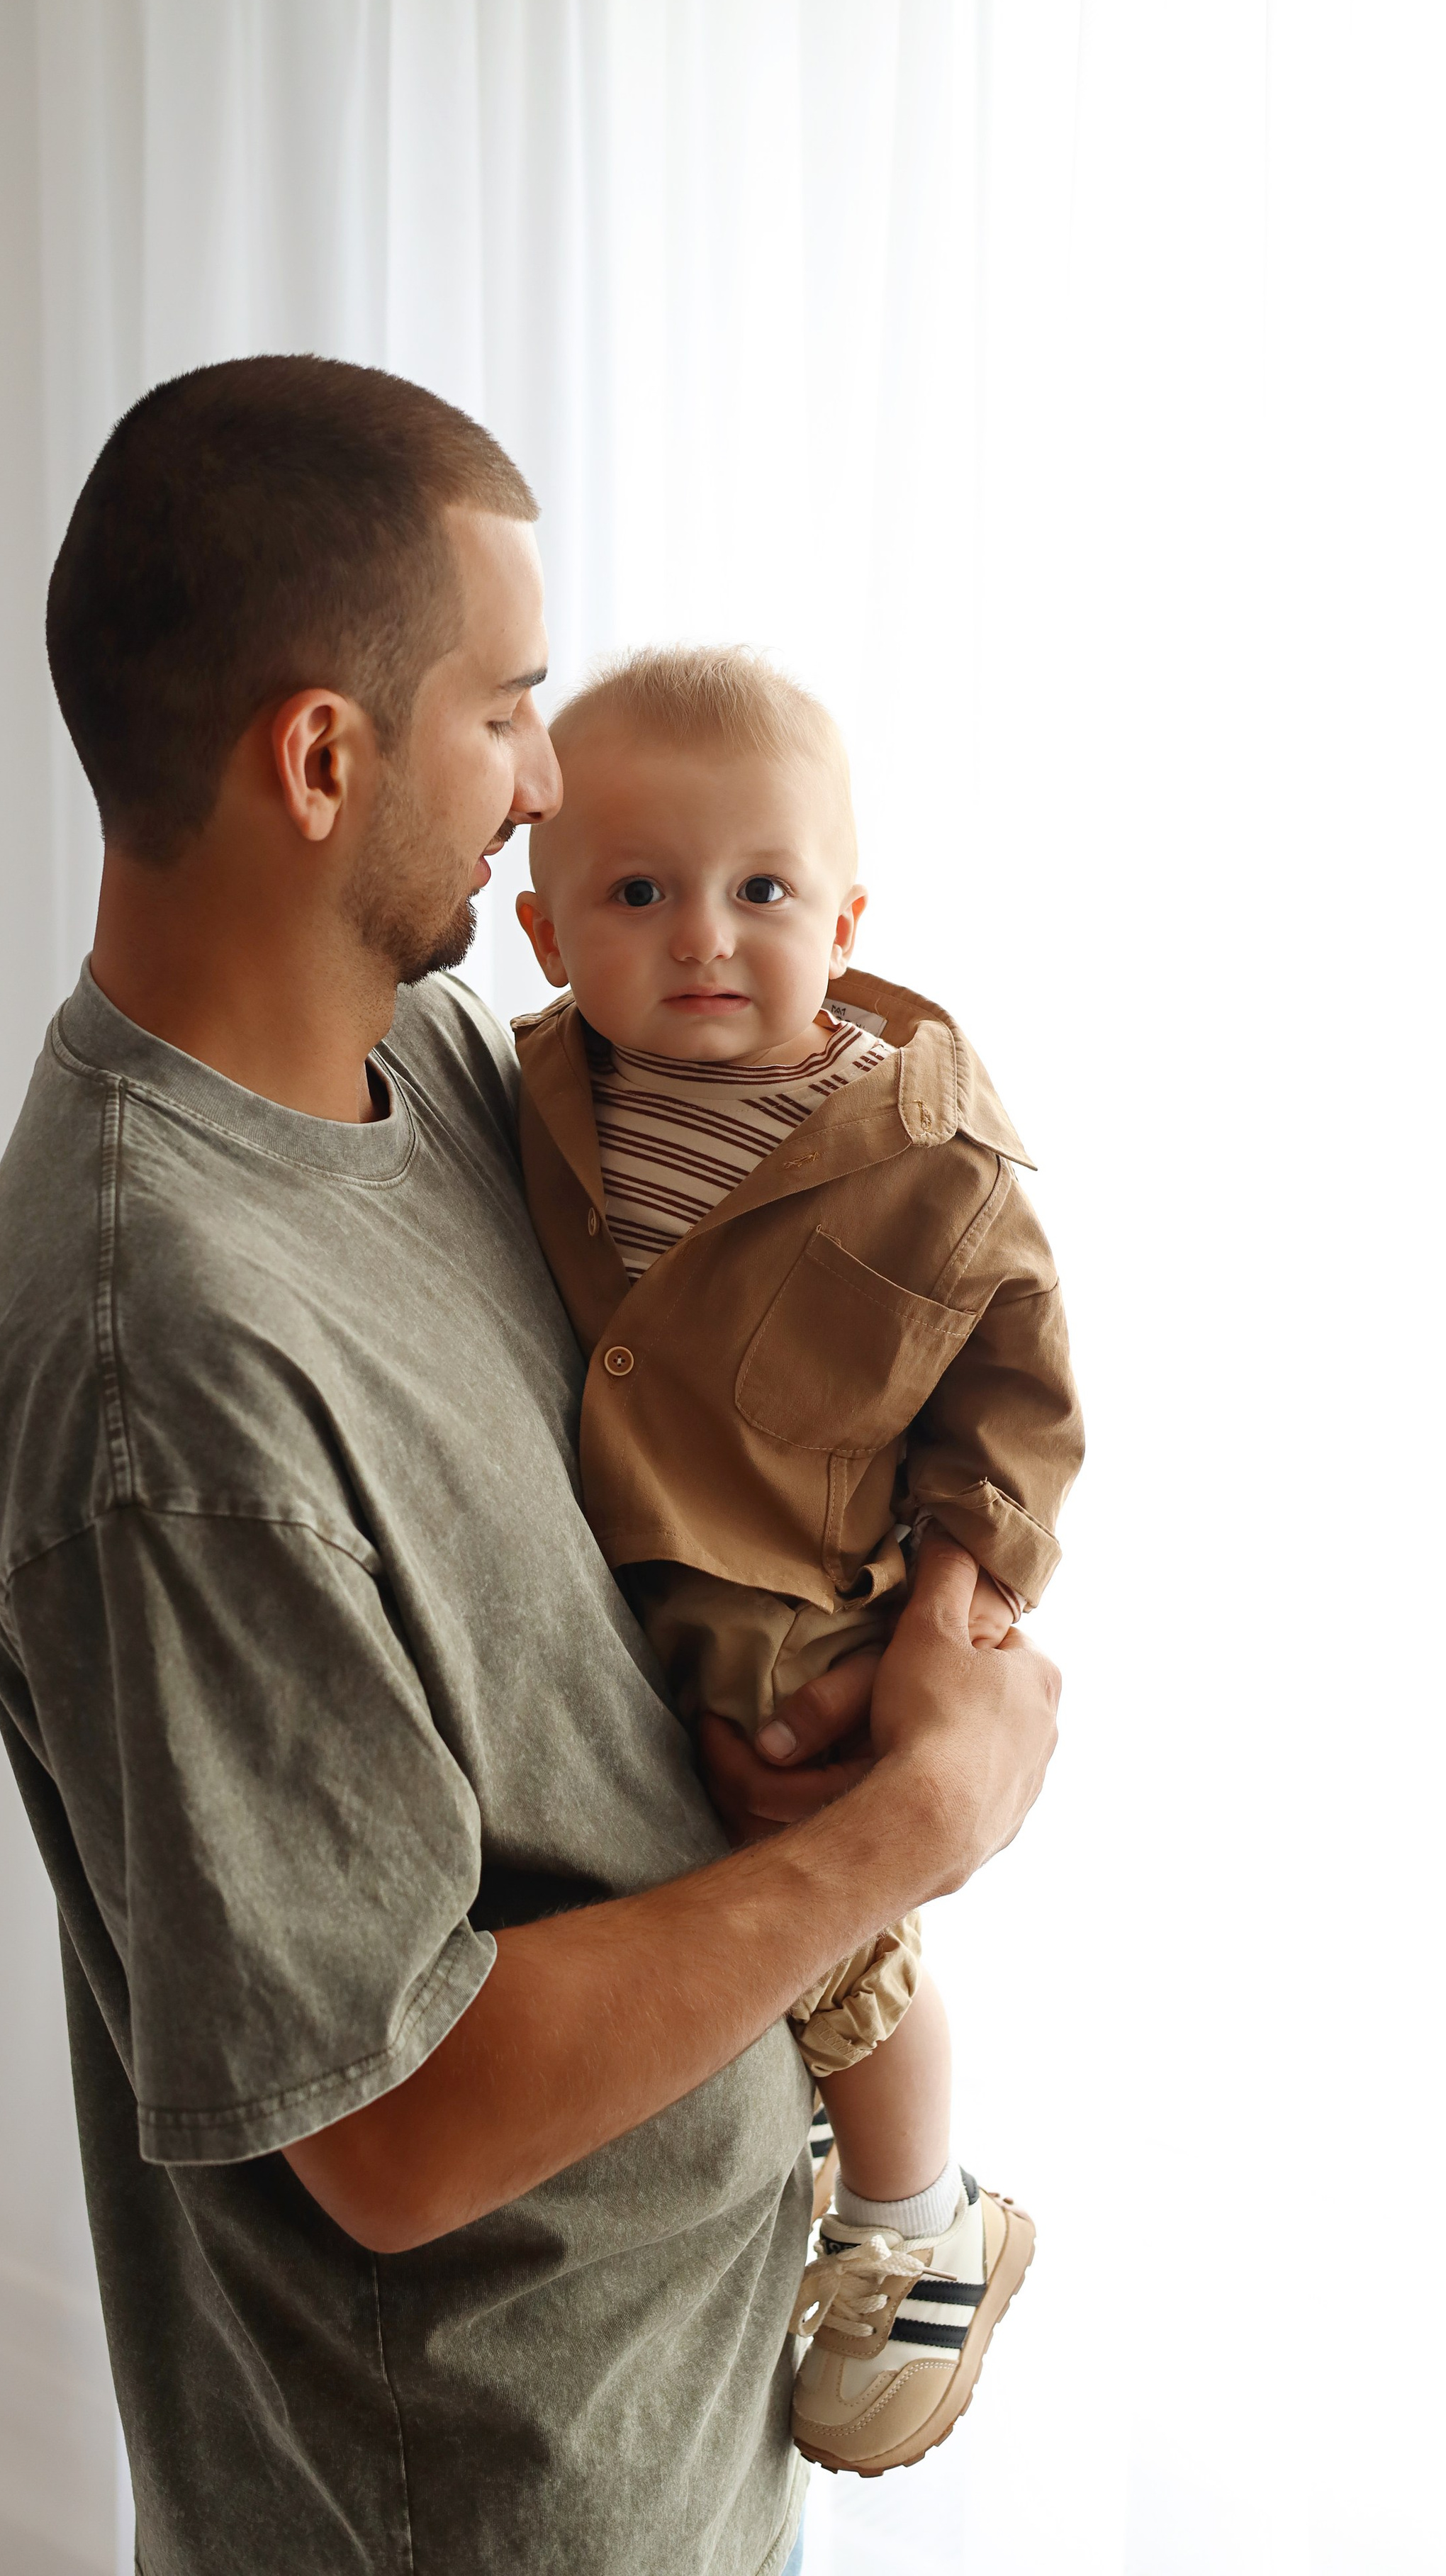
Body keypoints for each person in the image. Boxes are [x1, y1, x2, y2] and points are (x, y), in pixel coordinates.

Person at [0, 354, 1062, 2576]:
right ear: (324, 754)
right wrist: (917, 1824)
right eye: (509, 709)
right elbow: (396, 2123)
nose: (549, 783)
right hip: (470, 2513)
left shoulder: (447, 1069)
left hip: (666, 2412)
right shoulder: (161, 1360)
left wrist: (925, 1615)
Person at [512, 646, 1083, 2477]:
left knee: (830, 1913)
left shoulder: (928, 1158)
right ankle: (834, 2153)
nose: (706, 936)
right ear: (541, 934)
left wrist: (955, 1604)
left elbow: (1014, 1402)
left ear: (843, 915)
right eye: (639, 894)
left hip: (785, 1609)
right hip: (587, 1596)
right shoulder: (520, 1091)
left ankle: (923, 2220)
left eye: (764, 891)